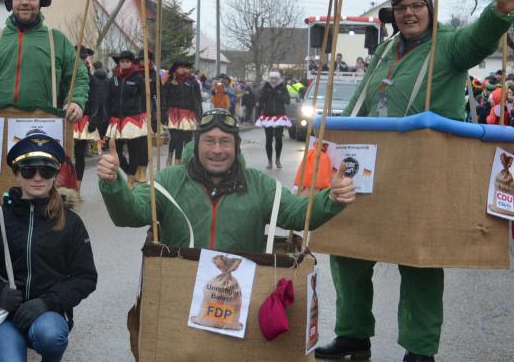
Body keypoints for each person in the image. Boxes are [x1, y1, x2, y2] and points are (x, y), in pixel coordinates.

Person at [318, 0, 514, 362]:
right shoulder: (386, 49)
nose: (409, 13)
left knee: (420, 257)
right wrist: (337, 133)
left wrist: (499, 13)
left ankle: (420, 350)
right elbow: (365, 97)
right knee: (348, 246)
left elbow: (479, 40)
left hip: (424, 168)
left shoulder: (450, 45)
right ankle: (353, 334)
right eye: (401, 8)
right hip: (375, 161)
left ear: (430, 10)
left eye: (416, 6)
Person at [97, 109, 355, 251]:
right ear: (197, 145)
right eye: (209, 141)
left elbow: (297, 214)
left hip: (240, 299)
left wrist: (331, 198)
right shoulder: (169, 181)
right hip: (180, 290)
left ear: (236, 146)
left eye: (225, 142)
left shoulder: (259, 185)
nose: (217, 150)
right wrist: (113, 183)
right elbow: (130, 214)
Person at [0, 133, 97, 362]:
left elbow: (86, 277)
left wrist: (47, 302)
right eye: (28, 170)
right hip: (5, 313)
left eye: (46, 170)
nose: (37, 177)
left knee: (50, 335)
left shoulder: (70, 222)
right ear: (17, 173)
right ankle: (2, 356)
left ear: (55, 175)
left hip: (48, 314)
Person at [106, 50, 151, 179]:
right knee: (116, 151)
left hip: (133, 119)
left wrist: (146, 116)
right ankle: (128, 171)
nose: (124, 63)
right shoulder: (114, 79)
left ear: (132, 63)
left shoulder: (138, 79)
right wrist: (108, 117)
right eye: (122, 61)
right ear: (119, 63)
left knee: (133, 150)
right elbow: (109, 99)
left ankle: (131, 178)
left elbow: (144, 98)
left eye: (127, 61)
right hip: (116, 120)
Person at [72, 48, 110, 186]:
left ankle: (77, 186)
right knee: (64, 154)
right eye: (79, 58)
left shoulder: (91, 78)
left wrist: (94, 118)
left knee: (80, 154)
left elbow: (96, 99)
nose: (82, 60)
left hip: (83, 118)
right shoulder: (67, 73)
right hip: (67, 116)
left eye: (84, 58)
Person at [162, 58, 201, 166]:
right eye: (181, 67)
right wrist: (163, 112)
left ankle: (182, 161)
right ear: (175, 69)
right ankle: (171, 155)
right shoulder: (170, 81)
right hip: (173, 113)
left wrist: (199, 115)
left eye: (185, 67)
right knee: (175, 138)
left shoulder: (193, 82)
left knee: (187, 140)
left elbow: (198, 99)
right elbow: (164, 97)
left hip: (188, 114)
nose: (184, 69)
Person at [256, 70, 291, 169]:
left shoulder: (283, 87)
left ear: (279, 79)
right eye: (272, 78)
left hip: (279, 116)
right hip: (268, 116)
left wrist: (278, 94)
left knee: (279, 138)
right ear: (269, 79)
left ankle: (278, 159)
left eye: (275, 78)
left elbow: (287, 101)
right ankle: (269, 161)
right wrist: (259, 114)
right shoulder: (266, 87)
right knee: (269, 140)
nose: (274, 80)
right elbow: (261, 101)